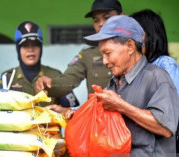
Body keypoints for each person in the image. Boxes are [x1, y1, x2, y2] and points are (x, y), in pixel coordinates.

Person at [83, 15, 179, 156]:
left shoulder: (156, 77)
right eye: (102, 55)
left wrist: (121, 105)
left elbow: (165, 128)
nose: (104, 61)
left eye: (107, 53)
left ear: (130, 46)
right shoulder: (114, 82)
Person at [35, 0, 123, 98]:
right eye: (96, 20)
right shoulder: (88, 55)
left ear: (122, 17)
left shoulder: (134, 49)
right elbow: (67, 81)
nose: (101, 24)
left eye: (107, 18)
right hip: (98, 112)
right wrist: (47, 85)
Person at [0, 21, 79, 107]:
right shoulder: (7, 78)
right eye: (25, 45)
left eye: (35, 45)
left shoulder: (55, 75)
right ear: (18, 49)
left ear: (41, 48)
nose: (30, 49)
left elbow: (73, 109)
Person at [131, 9, 179, 155]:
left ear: (147, 36)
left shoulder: (165, 64)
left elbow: (171, 110)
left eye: (134, 34)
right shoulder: (138, 68)